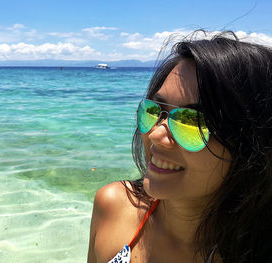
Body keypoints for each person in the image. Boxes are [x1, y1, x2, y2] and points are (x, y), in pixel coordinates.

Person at [87, 31, 272, 263]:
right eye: (154, 111)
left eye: (190, 121)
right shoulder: (114, 206)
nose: (155, 134)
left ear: (251, 145)